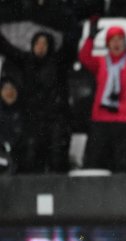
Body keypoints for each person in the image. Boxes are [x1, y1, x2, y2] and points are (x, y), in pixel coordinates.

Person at [78, 15, 126, 171]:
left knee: (123, 161)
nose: (116, 43)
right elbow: (84, 57)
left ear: (125, 43)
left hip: (125, 118)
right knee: (95, 160)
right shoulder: (100, 61)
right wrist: (91, 37)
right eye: (112, 40)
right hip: (100, 117)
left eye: (120, 39)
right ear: (107, 44)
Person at [0, 29, 71, 173]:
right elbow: (7, 48)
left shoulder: (57, 63)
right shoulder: (27, 61)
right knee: (31, 157)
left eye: (44, 43)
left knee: (56, 158)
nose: (40, 46)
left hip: (54, 120)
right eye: (37, 43)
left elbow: (70, 46)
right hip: (33, 119)